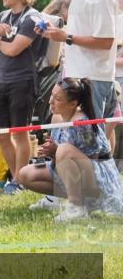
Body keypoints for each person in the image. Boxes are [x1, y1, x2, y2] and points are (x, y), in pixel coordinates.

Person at [18, 78, 123, 222]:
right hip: (75, 170)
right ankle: (73, 201)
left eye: (57, 98)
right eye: (52, 95)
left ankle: (76, 207)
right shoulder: (57, 117)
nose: (51, 101)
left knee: (64, 150)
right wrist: (52, 152)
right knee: (24, 175)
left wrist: (57, 151)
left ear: (73, 103)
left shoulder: (81, 123)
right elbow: (64, 160)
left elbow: (94, 157)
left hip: (99, 176)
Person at [43, 0, 118, 129]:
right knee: (76, 140)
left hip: (93, 78)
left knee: (90, 145)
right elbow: (80, 32)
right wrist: (55, 32)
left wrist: (66, 36)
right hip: (78, 74)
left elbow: (105, 41)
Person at [0, 0, 46, 192]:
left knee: (20, 132)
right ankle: (16, 178)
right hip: (3, 81)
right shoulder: (3, 15)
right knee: (1, 133)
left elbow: (12, 49)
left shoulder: (32, 18)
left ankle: (21, 180)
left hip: (24, 81)